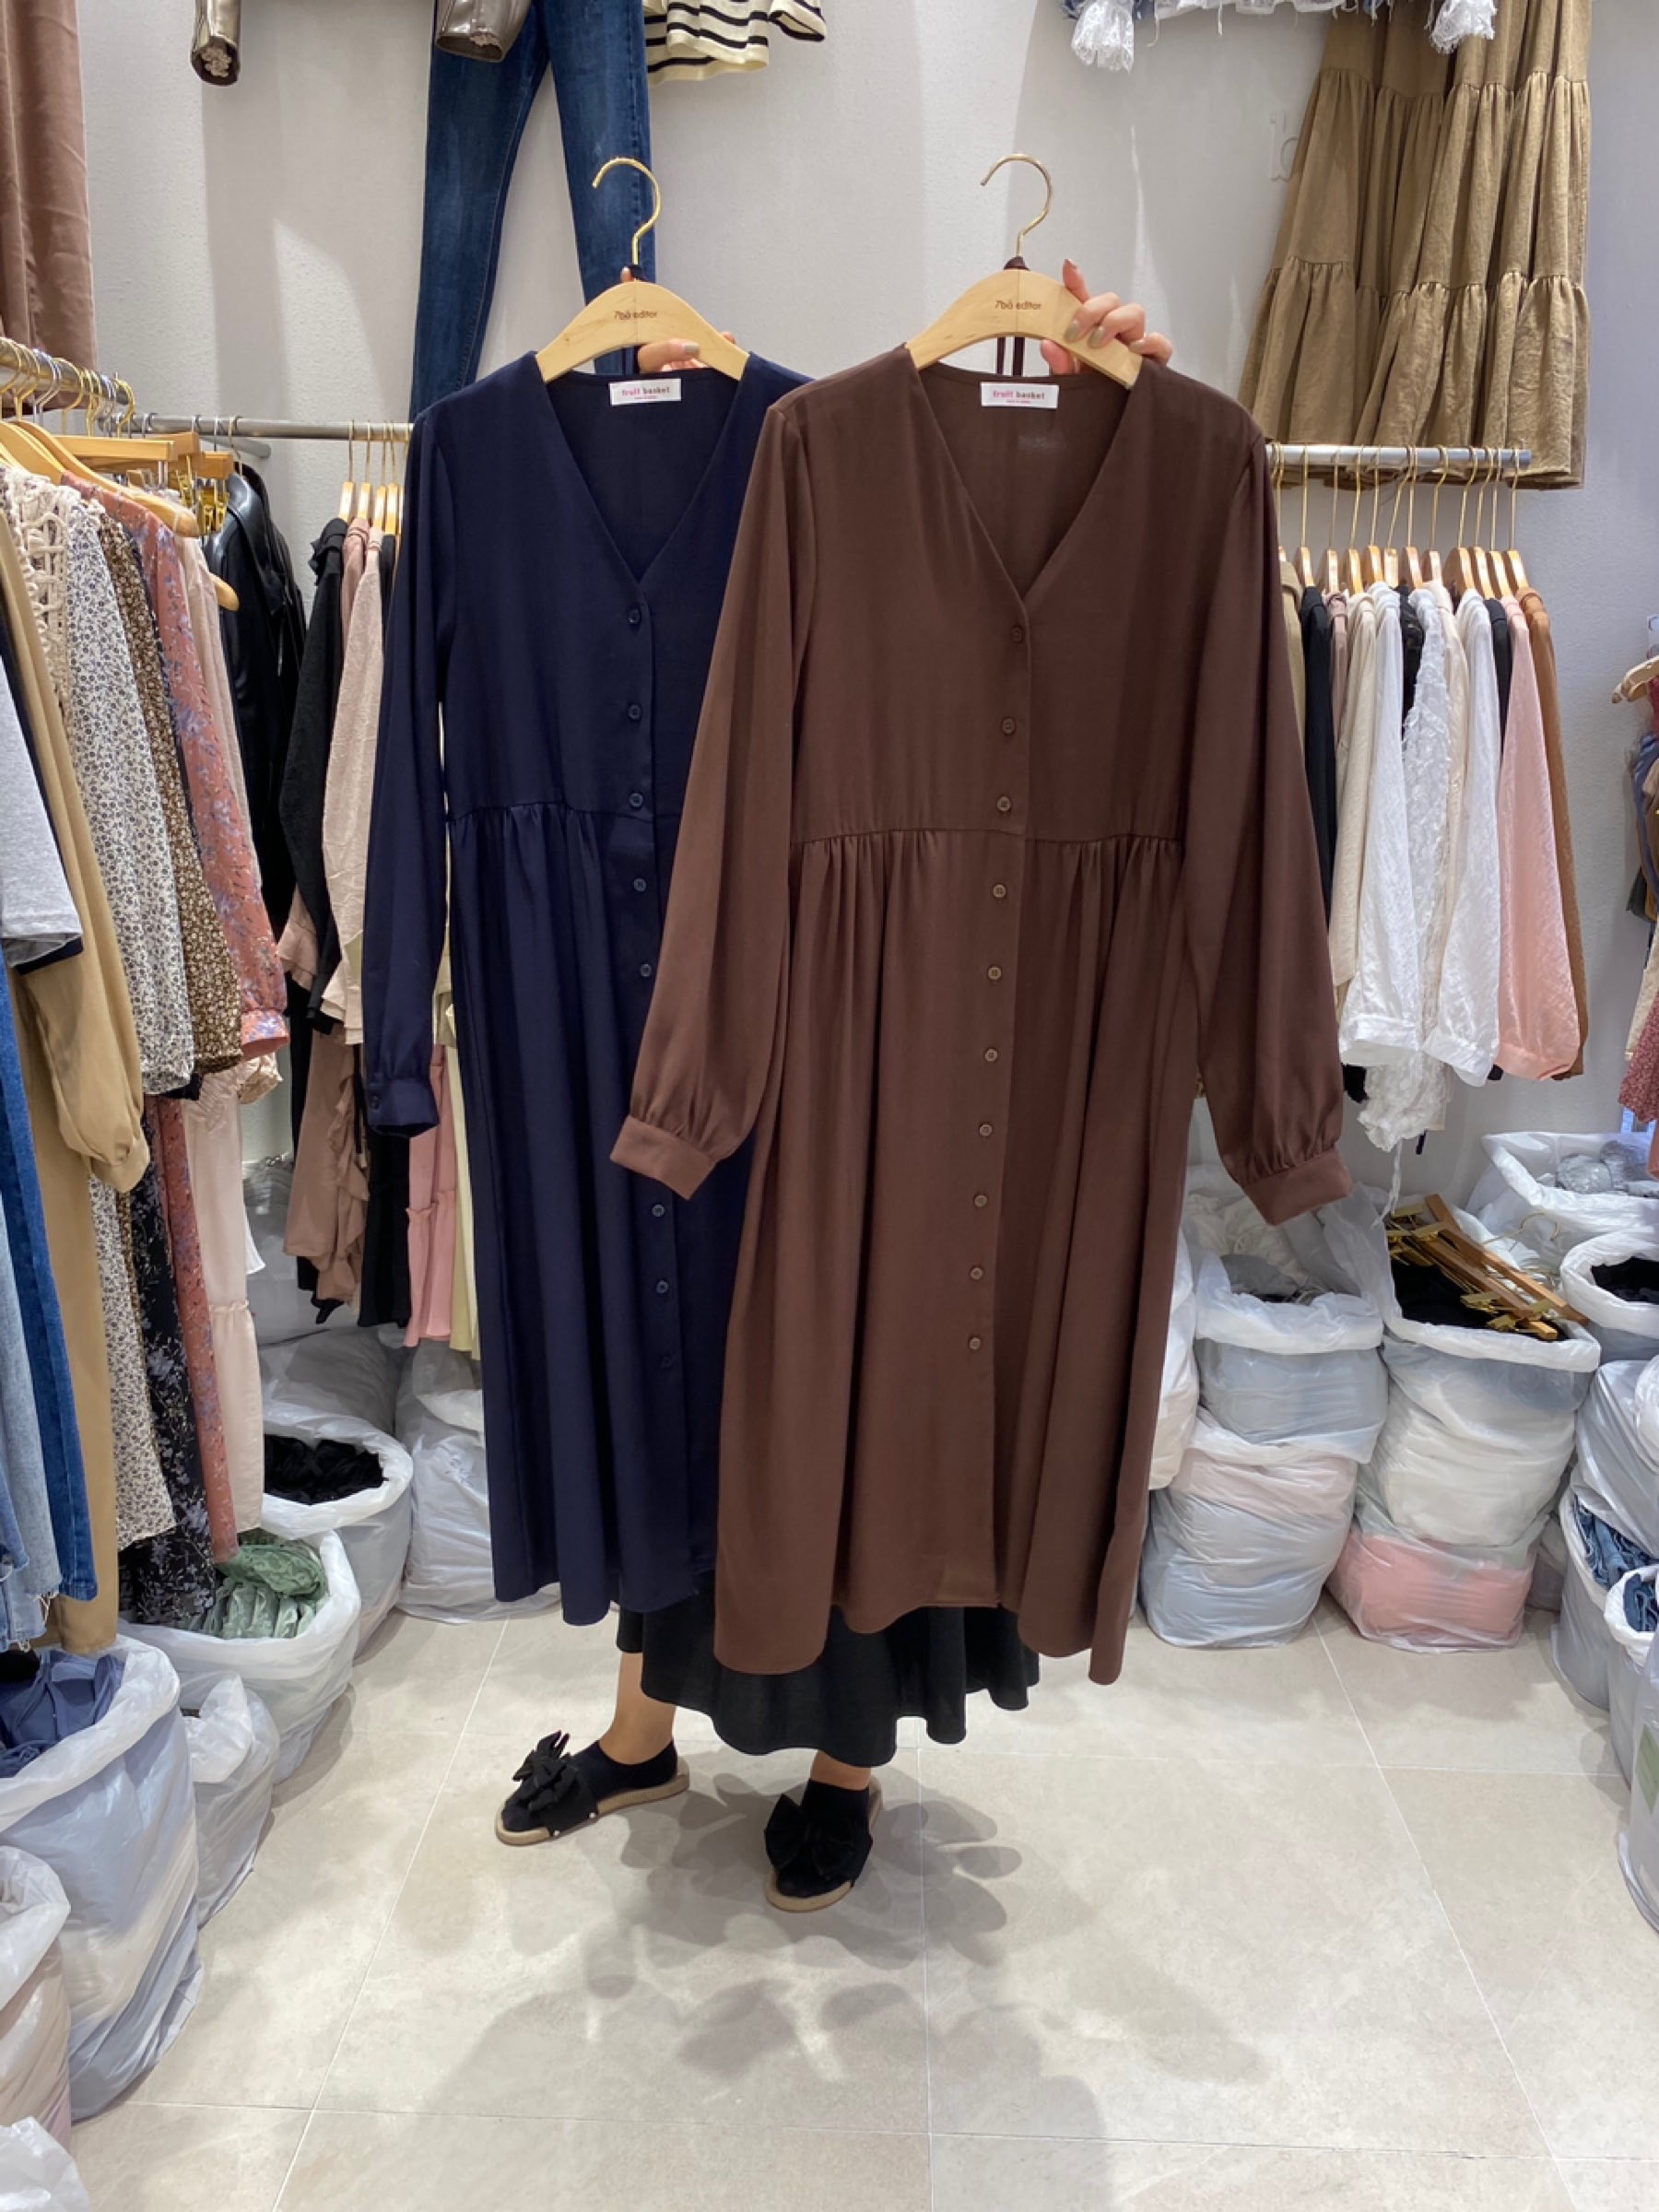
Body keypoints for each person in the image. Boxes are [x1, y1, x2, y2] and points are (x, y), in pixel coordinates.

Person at [498, 267, 1174, 1912]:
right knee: (693, 1399)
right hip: (704, 1004)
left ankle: (845, 1761)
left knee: (857, 1402)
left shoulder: (849, 440)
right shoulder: (805, 443)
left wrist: (1107, 394)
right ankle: (644, 1732)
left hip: (853, 1042)